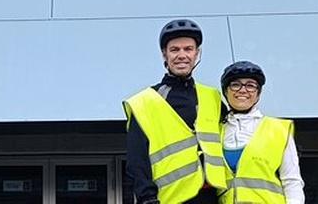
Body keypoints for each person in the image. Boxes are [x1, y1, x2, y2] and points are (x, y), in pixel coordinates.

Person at [123, 19, 228, 204]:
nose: (182, 55)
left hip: (213, 196)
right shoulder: (145, 102)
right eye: (174, 50)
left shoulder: (212, 96)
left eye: (188, 49)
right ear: (164, 54)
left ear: (197, 53)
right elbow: (137, 160)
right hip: (170, 199)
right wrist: (147, 198)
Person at [220, 61, 305, 204]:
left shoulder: (278, 129)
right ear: (225, 91)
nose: (243, 90)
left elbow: (292, 181)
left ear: (258, 94)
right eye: (235, 84)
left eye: (251, 86)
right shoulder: (216, 132)